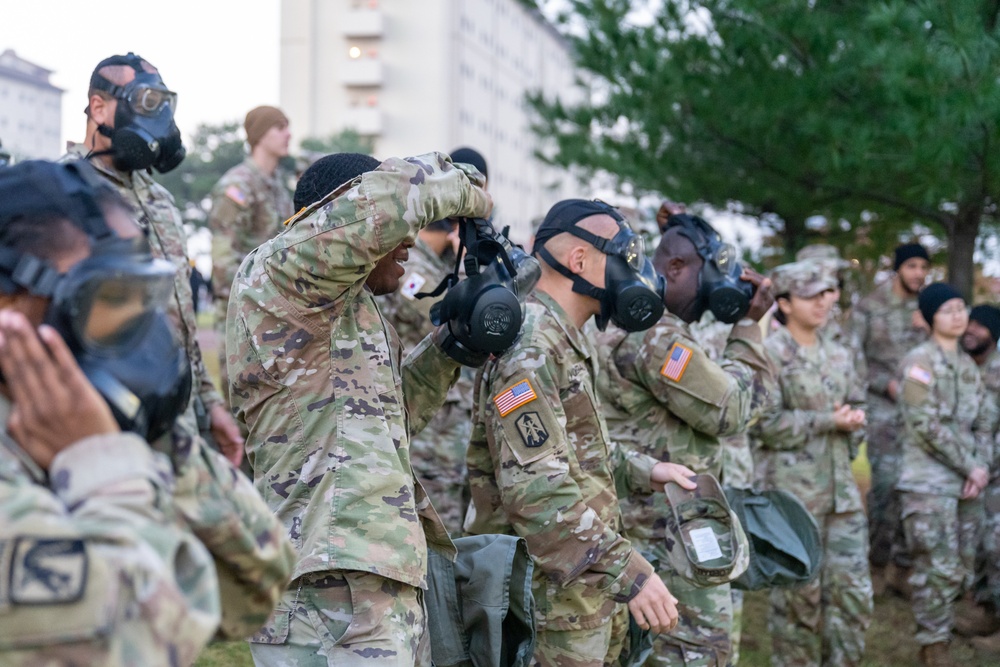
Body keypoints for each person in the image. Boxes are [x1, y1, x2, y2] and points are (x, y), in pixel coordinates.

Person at [0, 159, 287, 665]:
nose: (139, 340)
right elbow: (138, 643)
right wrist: (102, 466)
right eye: (109, 300)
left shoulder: (58, 425)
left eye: (143, 303)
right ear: (11, 304)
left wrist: (156, 434)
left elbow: (256, 581)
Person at [228, 151, 493, 665]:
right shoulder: (278, 272)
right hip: (327, 584)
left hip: (370, 578)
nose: (412, 240)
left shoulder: (354, 313)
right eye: (399, 229)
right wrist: (470, 190)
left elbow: (386, 421)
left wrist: (450, 347)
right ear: (342, 221)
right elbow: (392, 197)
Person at [466, 199, 696, 667]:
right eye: (625, 258)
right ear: (579, 261)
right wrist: (631, 574)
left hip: (584, 591)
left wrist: (649, 470)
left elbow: (579, 453)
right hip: (552, 603)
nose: (637, 273)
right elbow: (537, 494)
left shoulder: (564, 338)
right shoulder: (530, 349)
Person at [596, 213, 775, 667]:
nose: (713, 297)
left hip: (635, 527)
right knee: (696, 654)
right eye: (707, 279)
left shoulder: (621, 318)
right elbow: (732, 410)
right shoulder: (654, 332)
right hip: (666, 533)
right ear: (674, 267)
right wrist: (749, 328)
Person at [62, 52, 244, 466]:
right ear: (98, 107)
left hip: (179, 417)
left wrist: (211, 405)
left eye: (163, 103)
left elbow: (181, 317)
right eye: (145, 102)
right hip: (110, 423)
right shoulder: (62, 191)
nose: (157, 116)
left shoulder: (158, 198)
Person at [751, 261, 873, 667]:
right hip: (794, 497)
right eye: (811, 296)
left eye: (826, 294)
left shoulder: (839, 353)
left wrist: (854, 423)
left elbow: (858, 403)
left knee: (854, 596)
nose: (823, 303)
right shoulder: (768, 355)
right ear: (784, 303)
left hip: (842, 496)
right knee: (797, 602)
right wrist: (828, 422)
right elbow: (763, 425)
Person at [895, 284, 997, 666]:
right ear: (930, 317)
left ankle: (942, 634)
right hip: (928, 484)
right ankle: (934, 649)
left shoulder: (968, 366)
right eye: (948, 310)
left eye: (961, 308)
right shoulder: (919, 363)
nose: (958, 315)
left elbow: (986, 421)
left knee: (961, 569)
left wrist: (981, 467)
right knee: (935, 568)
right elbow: (924, 424)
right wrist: (968, 464)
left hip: (966, 486)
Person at [849, 242, 930, 594]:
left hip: (920, 409)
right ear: (898, 268)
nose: (919, 273)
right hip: (882, 409)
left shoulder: (928, 308)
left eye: (923, 267)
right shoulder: (870, 307)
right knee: (884, 485)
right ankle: (875, 563)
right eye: (912, 266)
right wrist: (886, 384)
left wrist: (927, 327)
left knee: (912, 488)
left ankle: (902, 567)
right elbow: (853, 360)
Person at [208, 105, 293, 401]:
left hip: (277, 314)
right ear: (259, 135)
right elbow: (223, 258)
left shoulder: (278, 186)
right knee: (246, 409)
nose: (288, 133)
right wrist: (246, 305)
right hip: (243, 316)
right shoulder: (238, 185)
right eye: (279, 127)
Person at [954, 305, 1000, 651]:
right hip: (974, 471)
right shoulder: (960, 367)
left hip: (993, 471)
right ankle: (987, 611)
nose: (971, 330)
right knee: (983, 546)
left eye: (980, 326)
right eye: (969, 322)